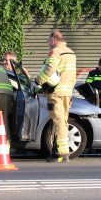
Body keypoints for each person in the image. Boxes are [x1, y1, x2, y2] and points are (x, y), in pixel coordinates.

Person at [35, 31, 77, 163]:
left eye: (48, 41)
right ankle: (58, 150)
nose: (48, 44)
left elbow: (49, 69)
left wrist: (37, 81)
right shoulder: (71, 53)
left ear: (53, 41)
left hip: (56, 93)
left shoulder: (55, 52)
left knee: (57, 121)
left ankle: (62, 152)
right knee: (63, 121)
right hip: (67, 93)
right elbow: (73, 75)